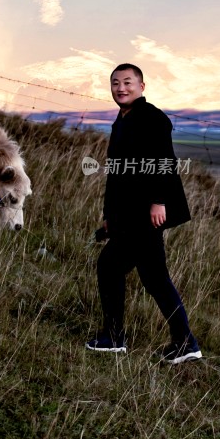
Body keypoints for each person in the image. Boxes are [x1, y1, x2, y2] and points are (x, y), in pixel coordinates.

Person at [86, 63, 202, 364]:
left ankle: (115, 337)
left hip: (146, 213)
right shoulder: (121, 120)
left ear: (141, 86)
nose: (120, 88)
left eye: (127, 82)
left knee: (112, 266)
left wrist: (159, 201)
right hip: (128, 213)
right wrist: (109, 215)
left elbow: (164, 159)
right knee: (152, 277)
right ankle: (184, 342)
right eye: (115, 83)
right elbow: (116, 175)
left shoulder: (152, 117)